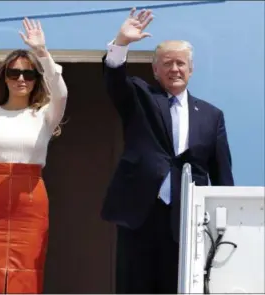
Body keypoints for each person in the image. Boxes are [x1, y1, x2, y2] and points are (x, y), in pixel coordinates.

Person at [101, 7, 234, 294]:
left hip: (188, 218)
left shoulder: (211, 116)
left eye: (181, 63)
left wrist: (228, 222)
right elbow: (115, 81)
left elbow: (221, 174)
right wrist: (121, 43)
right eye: (167, 63)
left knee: (181, 286)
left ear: (191, 68)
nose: (175, 69)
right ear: (155, 70)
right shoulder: (141, 96)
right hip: (140, 215)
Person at [0, 17, 68, 294]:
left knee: (26, 275)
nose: (21, 79)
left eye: (28, 74)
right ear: (4, 77)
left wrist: (42, 53)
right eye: (14, 73)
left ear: (36, 80)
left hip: (29, 204)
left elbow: (62, 93)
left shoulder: (44, 116)